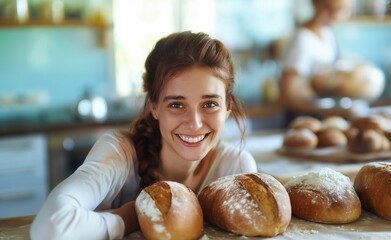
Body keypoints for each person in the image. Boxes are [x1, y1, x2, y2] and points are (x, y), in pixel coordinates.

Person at [30, 31, 257, 239]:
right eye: (177, 105)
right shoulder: (119, 154)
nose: (195, 123)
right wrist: (128, 218)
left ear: (227, 107)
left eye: (209, 104)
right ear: (154, 107)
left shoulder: (234, 167)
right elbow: (51, 228)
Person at [279, 0, 352, 120]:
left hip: (320, 117)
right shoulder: (303, 39)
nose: (335, 15)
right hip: (303, 119)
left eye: (341, 9)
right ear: (314, 4)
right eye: (328, 8)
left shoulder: (327, 33)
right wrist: (332, 111)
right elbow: (287, 96)